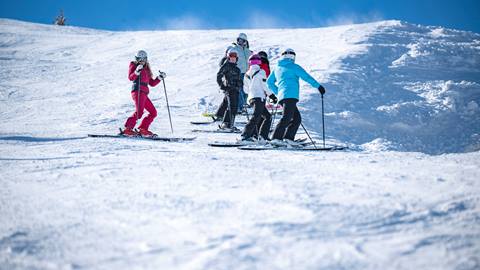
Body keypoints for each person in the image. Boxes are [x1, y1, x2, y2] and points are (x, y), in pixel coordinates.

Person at [266, 48, 326, 146]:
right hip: (290, 95)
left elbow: (269, 82)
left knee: (296, 119)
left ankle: (288, 138)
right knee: (287, 117)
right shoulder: (294, 66)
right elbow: (306, 77)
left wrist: (279, 92)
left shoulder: (277, 68)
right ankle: (276, 138)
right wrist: (318, 86)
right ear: (293, 57)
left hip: (283, 97)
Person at [123, 50, 166, 137]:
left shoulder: (146, 69)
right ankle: (128, 129)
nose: (142, 60)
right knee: (139, 112)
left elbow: (152, 83)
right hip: (137, 91)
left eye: (144, 59)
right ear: (136, 59)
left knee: (153, 112)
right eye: (140, 59)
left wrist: (159, 78)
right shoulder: (133, 65)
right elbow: (131, 78)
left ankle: (143, 129)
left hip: (144, 93)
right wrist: (136, 71)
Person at [241, 54, 277, 142]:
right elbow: (265, 85)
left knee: (267, 116)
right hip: (259, 97)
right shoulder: (261, 72)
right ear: (259, 62)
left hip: (251, 98)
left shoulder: (246, 74)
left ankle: (261, 136)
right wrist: (272, 96)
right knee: (257, 116)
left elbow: (245, 90)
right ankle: (245, 135)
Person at [216, 48, 243, 130]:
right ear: (228, 58)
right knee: (232, 107)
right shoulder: (226, 66)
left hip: (236, 90)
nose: (233, 59)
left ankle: (228, 123)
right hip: (229, 89)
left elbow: (240, 80)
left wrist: (239, 84)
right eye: (231, 57)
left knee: (233, 107)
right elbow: (219, 76)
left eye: (234, 58)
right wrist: (223, 86)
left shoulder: (237, 69)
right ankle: (227, 124)